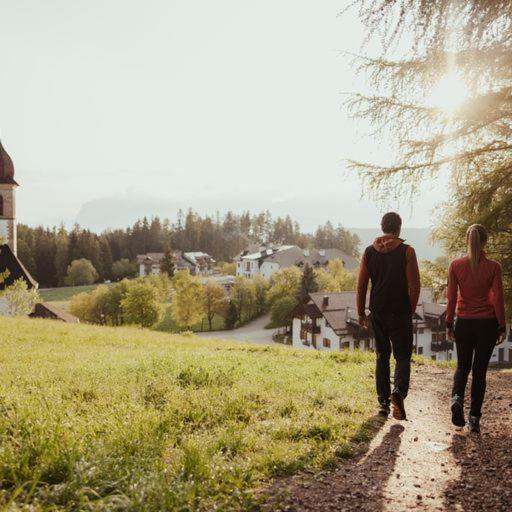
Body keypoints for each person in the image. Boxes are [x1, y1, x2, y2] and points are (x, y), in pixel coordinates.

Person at [356, 212, 421, 420]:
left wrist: (360, 311)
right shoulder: (407, 251)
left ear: (382, 227)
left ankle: (383, 403)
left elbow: (361, 286)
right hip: (399, 311)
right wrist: (409, 310)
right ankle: (398, 392)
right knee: (402, 356)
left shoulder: (368, 252)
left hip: (378, 311)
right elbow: (414, 286)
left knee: (382, 355)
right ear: (399, 228)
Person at [446, 224, 506, 433]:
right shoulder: (494, 267)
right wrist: (502, 325)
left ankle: (456, 398)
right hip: (487, 325)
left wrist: (448, 323)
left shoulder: (455, 265)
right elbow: (498, 299)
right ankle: (474, 419)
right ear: (485, 242)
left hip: (464, 322)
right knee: (479, 371)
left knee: (463, 367)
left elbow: (452, 297)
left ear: (466, 240)